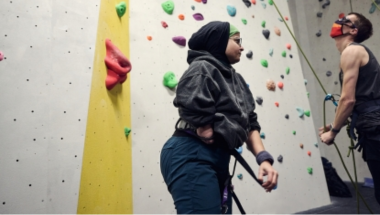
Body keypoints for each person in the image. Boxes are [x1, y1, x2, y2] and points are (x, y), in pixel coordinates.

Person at [160, 21, 278, 214]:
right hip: (192, 151)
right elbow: (188, 101)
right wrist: (204, 124)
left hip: (216, 155)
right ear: (220, 40)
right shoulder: (201, 68)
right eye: (237, 40)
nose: (242, 46)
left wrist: (263, 158)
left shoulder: (236, 79)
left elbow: (250, 122)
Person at [320, 12, 380, 205]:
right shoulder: (353, 52)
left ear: (353, 30)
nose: (338, 21)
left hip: (375, 129)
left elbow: (348, 100)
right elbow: (360, 103)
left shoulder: (352, 51)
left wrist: (333, 132)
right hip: (372, 125)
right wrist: (333, 124)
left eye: (345, 20)